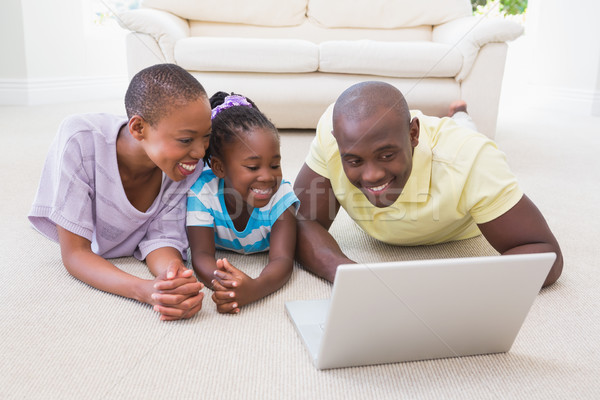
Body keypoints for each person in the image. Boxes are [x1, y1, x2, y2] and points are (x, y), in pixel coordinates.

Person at [293, 81, 563, 287]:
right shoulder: (334, 133)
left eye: (386, 155)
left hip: (455, 151)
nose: (372, 175)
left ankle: (461, 114)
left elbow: (545, 255)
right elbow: (301, 221)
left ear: (413, 134)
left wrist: (446, 289)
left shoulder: (472, 159)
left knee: (466, 129)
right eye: (354, 160)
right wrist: (351, 276)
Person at [28, 64, 211, 321]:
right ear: (138, 129)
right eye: (186, 140)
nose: (200, 152)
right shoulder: (80, 140)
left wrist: (172, 277)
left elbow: (161, 239)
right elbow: (76, 254)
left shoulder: (185, 168)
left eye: (206, 137)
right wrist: (145, 291)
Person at [187, 92, 299, 314]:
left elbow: (283, 259)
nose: (267, 176)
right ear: (219, 168)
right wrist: (226, 285)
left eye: (275, 165)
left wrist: (255, 288)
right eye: (253, 167)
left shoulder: (281, 195)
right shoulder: (202, 193)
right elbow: (201, 255)